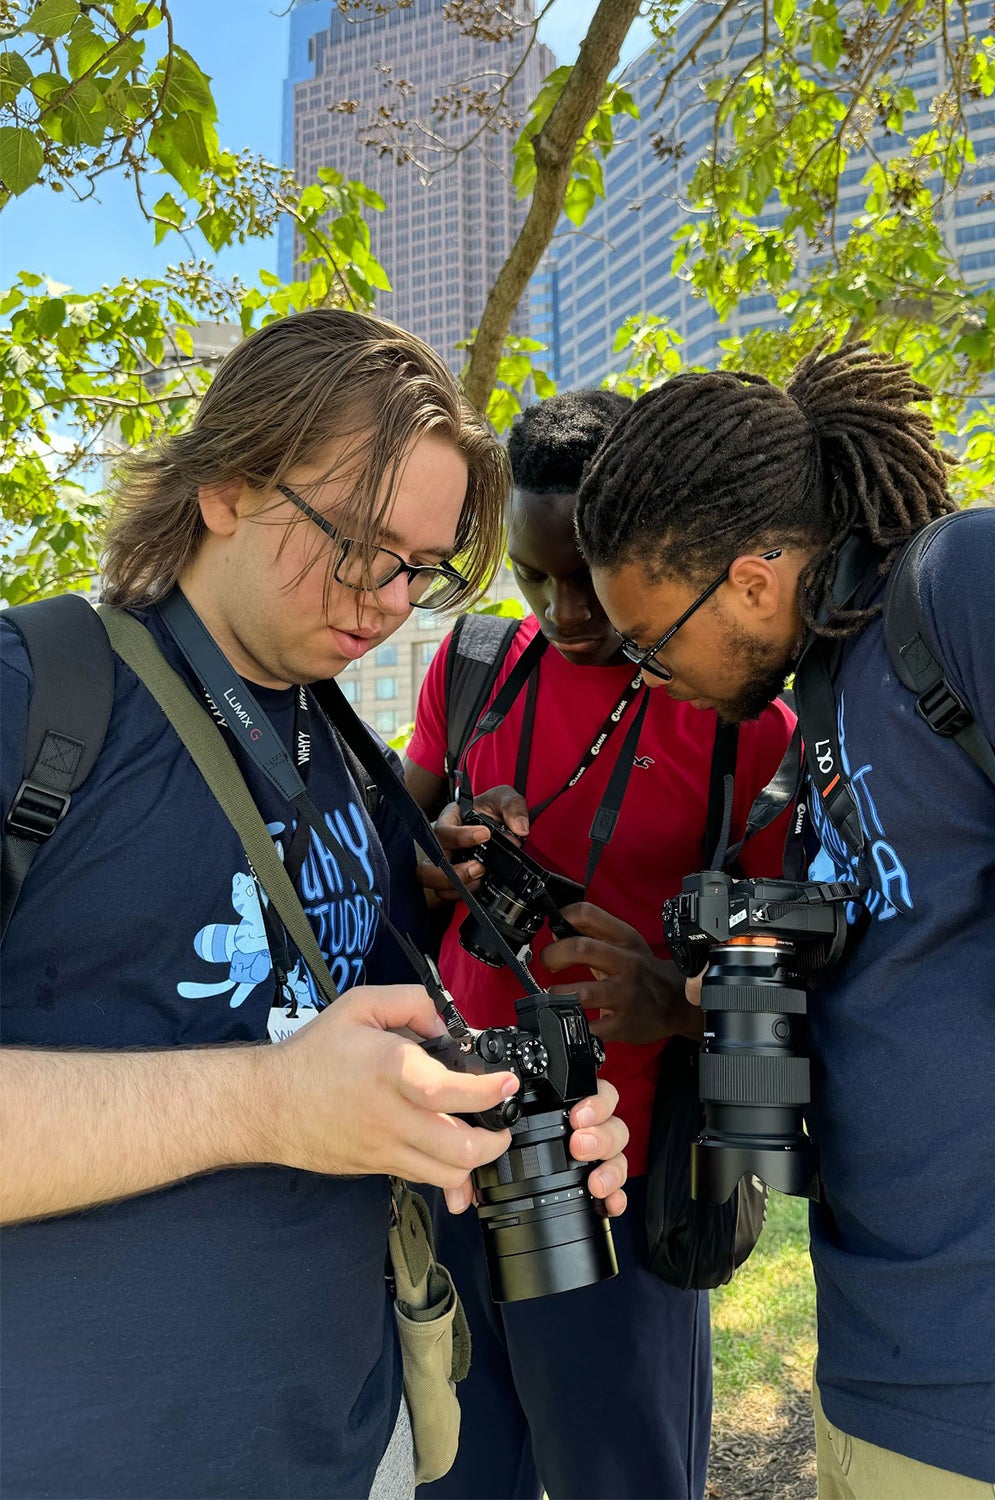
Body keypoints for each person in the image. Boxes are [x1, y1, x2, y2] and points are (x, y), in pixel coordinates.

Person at [0, 309, 629, 1500]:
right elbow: (282, 1083)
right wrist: (263, 1106)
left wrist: (501, 1109)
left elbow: (336, 1034)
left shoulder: (342, 737)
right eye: (356, 543)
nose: (388, 600)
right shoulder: (35, 698)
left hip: (360, 1442)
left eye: (422, 568)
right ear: (226, 482)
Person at [573, 342, 995, 1500]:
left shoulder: (983, 579)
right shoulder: (832, 694)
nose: (646, 677)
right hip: (877, 1383)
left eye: (652, 643)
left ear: (753, 581)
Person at [401, 389, 795, 1500]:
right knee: (453, 1472)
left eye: (589, 573)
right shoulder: (474, 667)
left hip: (616, 1175)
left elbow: (790, 980)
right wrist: (440, 849)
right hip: (451, 1154)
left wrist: (674, 1001)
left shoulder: (743, 716)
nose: (567, 609)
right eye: (534, 574)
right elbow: (392, 863)